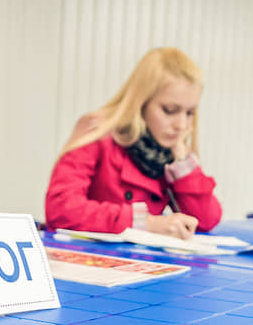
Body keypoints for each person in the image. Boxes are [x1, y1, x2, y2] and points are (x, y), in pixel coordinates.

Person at [45, 47, 222, 239]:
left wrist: (183, 165)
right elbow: (61, 209)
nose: (181, 125)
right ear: (141, 102)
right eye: (169, 110)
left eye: (189, 113)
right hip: (88, 253)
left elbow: (206, 220)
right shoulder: (98, 131)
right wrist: (145, 223)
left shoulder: (169, 150)